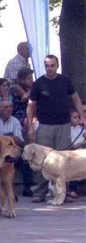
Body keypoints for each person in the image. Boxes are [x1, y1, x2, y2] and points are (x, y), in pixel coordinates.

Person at [27, 55, 85, 203]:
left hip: (64, 125)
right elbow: (31, 105)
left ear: (57, 66)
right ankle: (40, 192)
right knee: (42, 161)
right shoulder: (39, 83)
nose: (49, 68)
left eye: (52, 65)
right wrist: (30, 127)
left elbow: (76, 99)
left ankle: (62, 194)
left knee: (64, 161)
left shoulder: (65, 81)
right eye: (47, 65)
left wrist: (83, 118)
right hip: (44, 125)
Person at [11, 68, 35, 197]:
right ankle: (27, 185)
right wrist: (35, 89)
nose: (31, 80)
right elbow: (26, 98)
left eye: (32, 77)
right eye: (29, 78)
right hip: (20, 117)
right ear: (21, 79)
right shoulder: (17, 88)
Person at [67, 108, 85, 199]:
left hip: (83, 153)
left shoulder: (81, 129)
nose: (77, 119)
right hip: (74, 153)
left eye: (78, 117)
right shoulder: (68, 130)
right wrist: (83, 143)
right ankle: (72, 190)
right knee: (74, 168)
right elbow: (72, 146)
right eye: (75, 117)